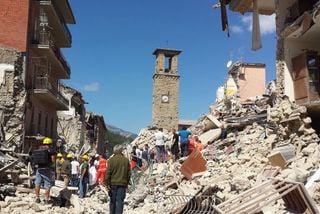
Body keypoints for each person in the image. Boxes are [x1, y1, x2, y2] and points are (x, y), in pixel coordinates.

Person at [106, 145, 131, 214]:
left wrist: (107, 184)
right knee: (120, 202)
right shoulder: (126, 160)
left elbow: (108, 173)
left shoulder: (111, 160)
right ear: (121, 151)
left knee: (112, 201)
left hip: (112, 184)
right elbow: (129, 173)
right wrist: (127, 183)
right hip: (122, 184)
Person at [33, 137, 56, 203]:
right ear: (50, 143)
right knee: (47, 184)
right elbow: (53, 160)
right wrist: (52, 165)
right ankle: (46, 199)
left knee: (37, 183)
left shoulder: (39, 149)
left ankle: (37, 198)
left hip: (39, 168)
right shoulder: (51, 150)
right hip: (46, 169)